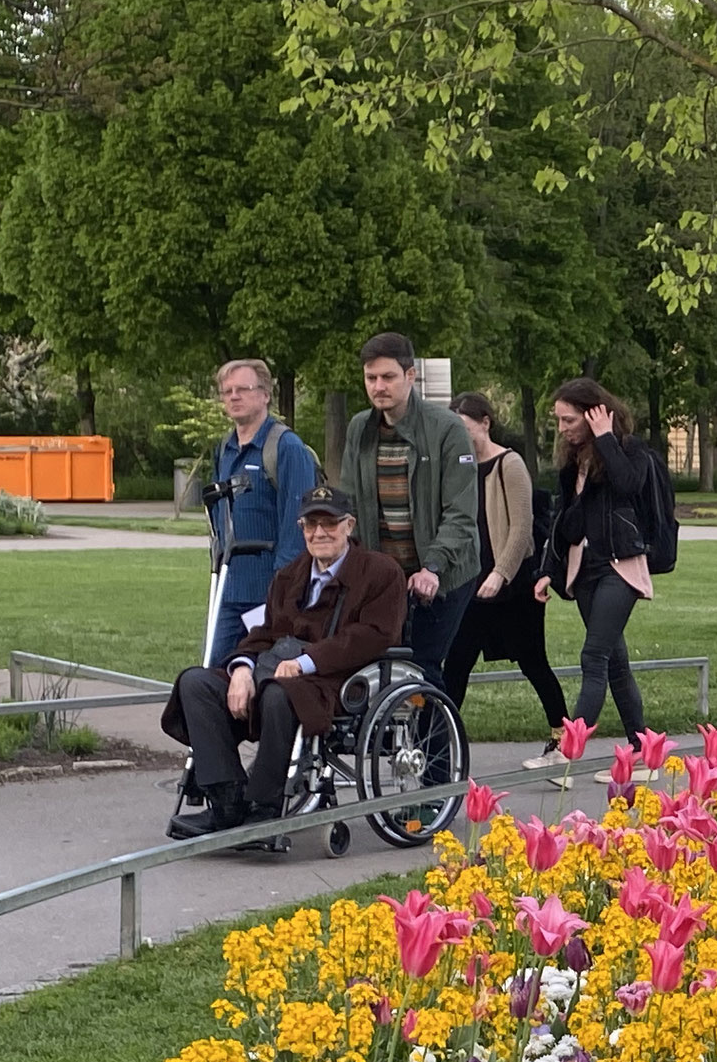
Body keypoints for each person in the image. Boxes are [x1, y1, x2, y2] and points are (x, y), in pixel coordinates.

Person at [162, 489, 407, 836]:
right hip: (275, 671)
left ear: (349, 525)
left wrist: (307, 662)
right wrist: (243, 667)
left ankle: (264, 807)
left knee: (281, 693)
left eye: (329, 523)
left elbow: (372, 636)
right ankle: (227, 800)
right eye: (311, 524)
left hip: (336, 680)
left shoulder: (380, 573)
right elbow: (266, 631)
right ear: (301, 527)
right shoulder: (291, 575)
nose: (319, 532)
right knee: (196, 683)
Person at [335, 332, 481, 689]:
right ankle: (390, 744)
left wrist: (432, 566)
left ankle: (437, 746)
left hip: (444, 573)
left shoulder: (446, 428)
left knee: (423, 666)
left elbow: (461, 511)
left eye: (388, 377)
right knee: (377, 664)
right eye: (371, 378)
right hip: (386, 576)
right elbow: (348, 504)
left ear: (410, 376)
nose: (378, 386)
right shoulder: (359, 429)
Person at [533, 378, 662, 764]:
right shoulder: (573, 463)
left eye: (569, 419)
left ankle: (568, 752)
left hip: (620, 568)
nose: (563, 428)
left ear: (595, 414)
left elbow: (628, 486)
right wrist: (547, 571)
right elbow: (561, 522)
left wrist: (606, 438)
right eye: (559, 420)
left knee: (593, 658)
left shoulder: (629, 450)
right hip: (583, 571)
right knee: (616, 664)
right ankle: (642, 752)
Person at [441, 391, 569, 755]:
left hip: (512, 586)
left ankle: (562, 740)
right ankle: (438, 741)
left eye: (467, 428)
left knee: (533, 662)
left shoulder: (509, 464)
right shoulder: (458, 468)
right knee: (457, 664)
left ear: (485, 423)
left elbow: (522, 527)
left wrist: (501, 573)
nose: (463, 436)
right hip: (470, 583)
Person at [206, 359, 318, 665]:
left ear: (266, 394)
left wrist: (283, 591)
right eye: (226, 391)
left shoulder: (287, 448)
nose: (233, 396)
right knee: (213, 673)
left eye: (243, 388)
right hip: (229, 589)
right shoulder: (224, 449)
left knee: (260, 677)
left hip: (269, 594)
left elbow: (298, 523)